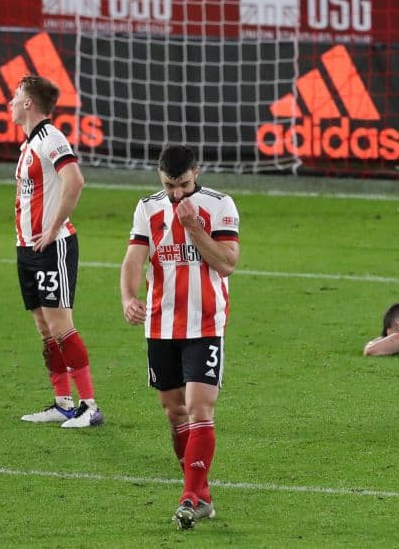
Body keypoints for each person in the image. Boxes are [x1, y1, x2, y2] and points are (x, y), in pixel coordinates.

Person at [120, 145, 240, 530]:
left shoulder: (219, 205)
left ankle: (189, 497)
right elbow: (134, 259)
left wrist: (194, 228)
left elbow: (227, 263)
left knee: (199, 407)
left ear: (196, 173)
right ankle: (202, 495)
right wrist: (128, 297)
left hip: (205, 324)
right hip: (160, 326)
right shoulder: (147, 208)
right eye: (169, 185)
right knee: (175, 414)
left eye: (183, 185)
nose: (176, 194)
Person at [10, 74, 103, 429]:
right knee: (45, 329)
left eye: (15, 96)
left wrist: (52, 229)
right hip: (27, 248)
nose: (11, 102)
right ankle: (63, 403)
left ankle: (89, 406)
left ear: (28, 103)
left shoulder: (51, 138)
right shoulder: (29, 144)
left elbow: (75, 181)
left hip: (53, 246)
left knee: (61, 327)